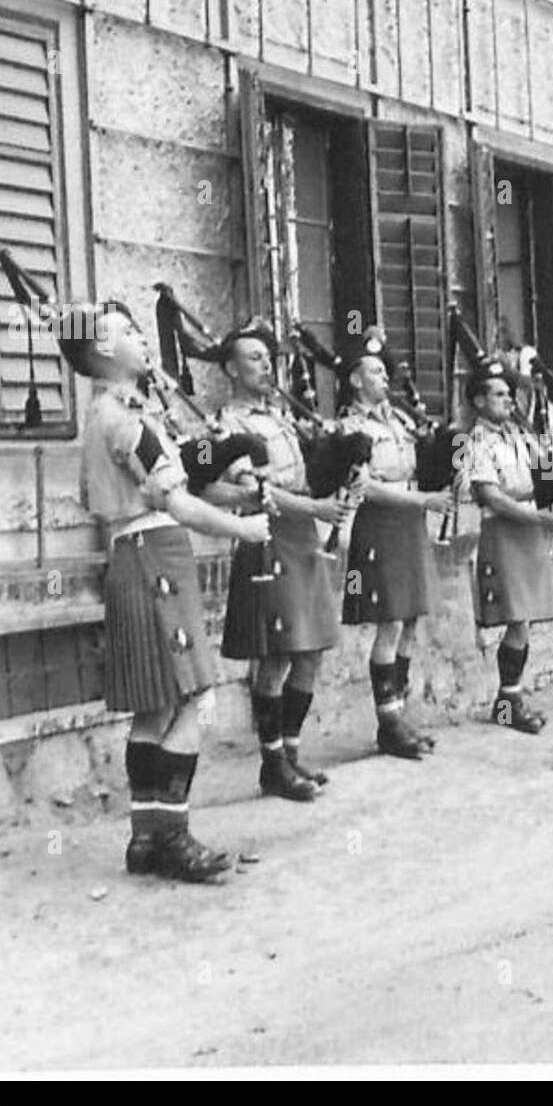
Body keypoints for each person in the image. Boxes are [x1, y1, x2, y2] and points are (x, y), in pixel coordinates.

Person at [56, 301, 270, 882]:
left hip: (130, 555)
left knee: (152, 708)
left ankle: (145, 839)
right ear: (102, 352)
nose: (141, 338)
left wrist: (239, 495)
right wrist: (244, 528)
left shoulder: (104, 416)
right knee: (189, 700)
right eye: (126, 332)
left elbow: (173, 489)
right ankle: (174, 837)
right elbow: (174, 503)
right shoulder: (127, 419)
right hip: (157, 560)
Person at [207, 320, 351, 801]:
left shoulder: (283, 416)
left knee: (311, 648)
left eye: (268, 358)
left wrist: (333, 452)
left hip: (303, 533)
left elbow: (307, 475)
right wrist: (315, 508)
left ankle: (290, 751)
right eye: (253, 358)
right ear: (229, 368)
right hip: (266, 534)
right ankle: (271, 764)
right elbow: (255, 491)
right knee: (275, 655)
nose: (265, 365)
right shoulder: (227, 424)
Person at [339, 330, 454, 759]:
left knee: (410, 621)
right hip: (380, 525)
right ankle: (387, 723)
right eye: (374, 370)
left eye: (385, 370)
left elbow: (422, 466)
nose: (384, 377)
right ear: (354, 380)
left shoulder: (400, 421)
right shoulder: (351, 427)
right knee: (388, 622)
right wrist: (424, 499)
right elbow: (364, 486)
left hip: (410, 524)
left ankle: (399, 715)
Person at [461, 359, 553, 732]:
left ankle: (510, 700)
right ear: (478, 401)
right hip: (504, 532)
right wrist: (540, 517)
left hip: (527, 531)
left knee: (524, 622)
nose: (508, 400)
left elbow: (545, 478)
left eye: (510, 394)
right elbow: (490, 496)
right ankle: (508, 705)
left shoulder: (518, 435)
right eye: (498, 394)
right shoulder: (474, 442)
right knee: (516, 620)